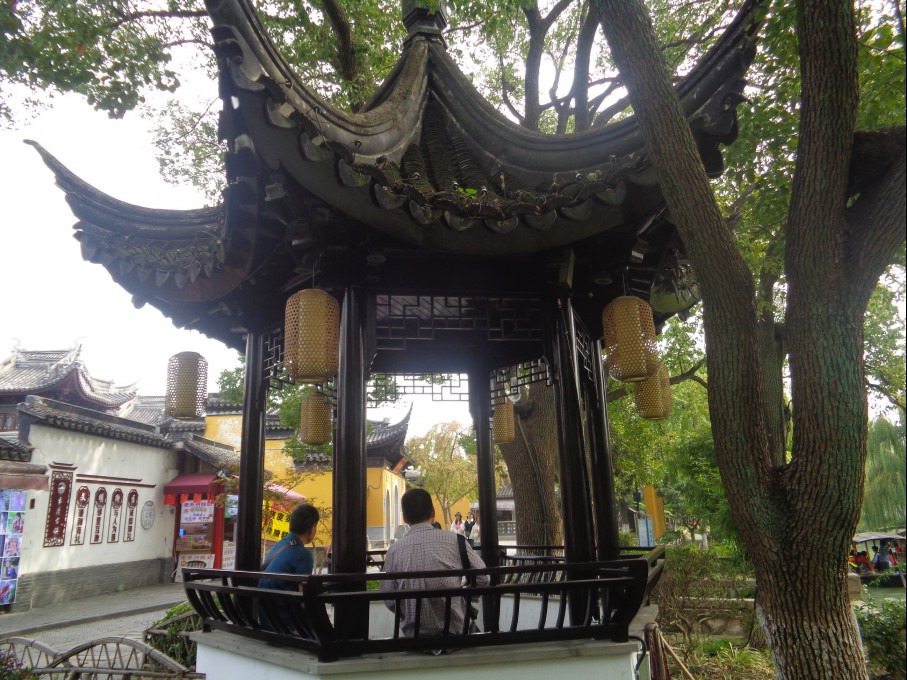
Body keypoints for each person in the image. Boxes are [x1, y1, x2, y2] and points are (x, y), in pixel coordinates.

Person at [383, 489, 488, 638]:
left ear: (405, 518)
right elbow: (483, 578)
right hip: (457, 633)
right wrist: (464, 598)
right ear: (433, 513)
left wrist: (409, 609)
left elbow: (389, 598)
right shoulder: (455, 541)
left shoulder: (393, 551)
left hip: (415, 636)